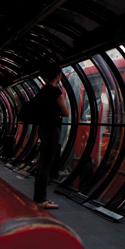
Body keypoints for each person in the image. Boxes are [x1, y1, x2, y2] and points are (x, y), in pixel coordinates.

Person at [33, 66, 70, 210]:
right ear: (58, 75)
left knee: (42, 162)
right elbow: (66, 112)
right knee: (47, 163)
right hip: (52, 129)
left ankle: (39, 197)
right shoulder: (55, 91)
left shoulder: (42, 91)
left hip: (42, 128)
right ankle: (41, 199)